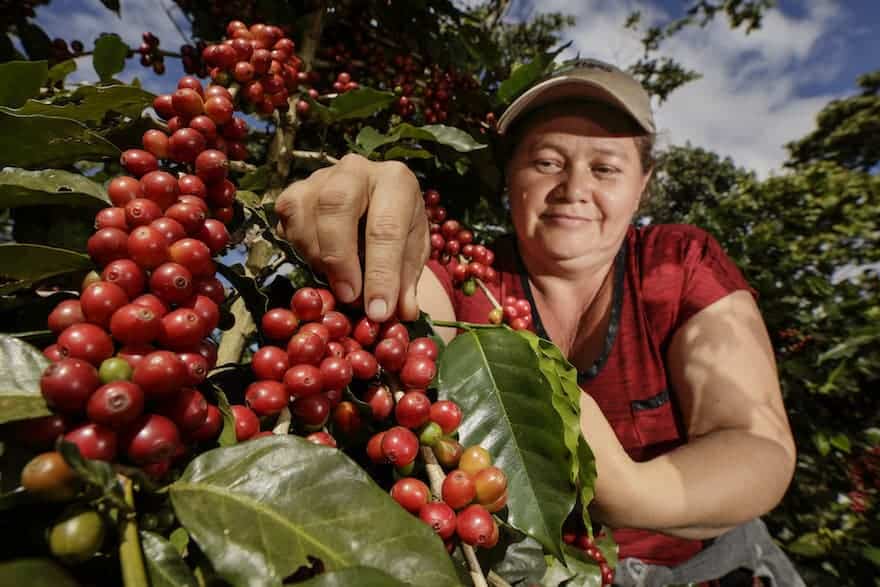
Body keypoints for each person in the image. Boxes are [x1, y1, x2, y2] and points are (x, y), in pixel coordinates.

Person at [275, 59, 802, 586]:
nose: (573, 188)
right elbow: (408, 307)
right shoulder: (471, 281)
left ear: (642, 184)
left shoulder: (675, 264)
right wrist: (371, 232)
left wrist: (629, 490)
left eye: (606, 168)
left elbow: (758, 445)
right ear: (510, 176)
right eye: (546, 162)